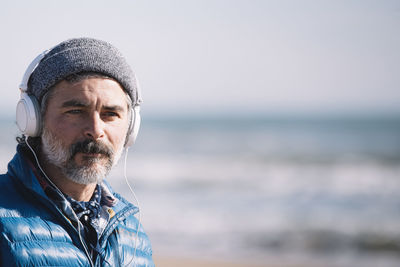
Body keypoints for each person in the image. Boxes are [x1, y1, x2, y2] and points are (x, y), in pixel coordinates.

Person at [0, 38, 154, 266]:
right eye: (75, 111)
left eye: (110, 114)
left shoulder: (134, 236)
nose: (95, 130)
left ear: (131, 127)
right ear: (34, 120)